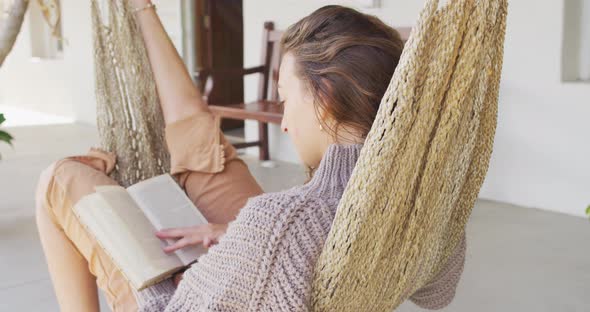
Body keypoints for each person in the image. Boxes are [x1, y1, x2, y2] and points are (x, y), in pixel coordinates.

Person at [35, 2, 467, 311]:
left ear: (326, 98)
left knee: (58, 179)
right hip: (277, 254)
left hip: (181, 297)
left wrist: (171, 275)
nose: (283, 124)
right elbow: (438, 293)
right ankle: (141, 7)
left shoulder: (279, 225)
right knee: (202, 142)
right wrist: (234, 240)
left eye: (284, 101)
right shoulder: (425, 198)